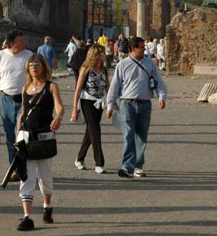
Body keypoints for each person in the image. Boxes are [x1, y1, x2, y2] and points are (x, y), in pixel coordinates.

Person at [15, 54, 64, 231]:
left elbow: (59, 107)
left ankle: (47, 206)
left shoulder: (52, 87)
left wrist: (58, 117)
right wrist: (17, 134)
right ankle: (27, 217)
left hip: (44, 137)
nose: (34, 67)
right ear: (28, 68)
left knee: (45, 176)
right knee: (26, 176)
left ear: (43, 67)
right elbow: (22, 112)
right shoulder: (25, 88)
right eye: (31, 65)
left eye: (37, 64)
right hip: (26, 137)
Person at [106, 36, 167, 178]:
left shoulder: (149, 63)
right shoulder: (123, 64)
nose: (144, 49)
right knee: (128, 134)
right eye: (141, 47)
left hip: (145, 104)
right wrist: (110, 105)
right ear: (133, 48)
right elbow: (115, 86)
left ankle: (138, 165)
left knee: (141, 136)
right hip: (127, 103)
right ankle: (127, 167)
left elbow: (158, 81)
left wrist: (162, 96)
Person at [0, 30, 32, 167]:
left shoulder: (29, 56)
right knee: (10, 135)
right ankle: (13, 167)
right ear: (12, 43)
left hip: (24, 100)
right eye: (21, 41)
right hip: (6, 99)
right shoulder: (0, 56)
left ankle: (22, 165)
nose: (24, 43)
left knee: (20, 133)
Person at [71, 44, 108, 174]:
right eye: (102, 53)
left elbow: (107, 86)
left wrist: (112, 102)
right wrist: (75, 108)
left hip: (99, 103)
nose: (105, 55)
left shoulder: (104, 69)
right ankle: (99, 162)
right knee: (95, 130)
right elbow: (78, 89)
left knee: (90, 131)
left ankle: (79, 158)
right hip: (87, 101)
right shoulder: (85, 68)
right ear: (96, 55)